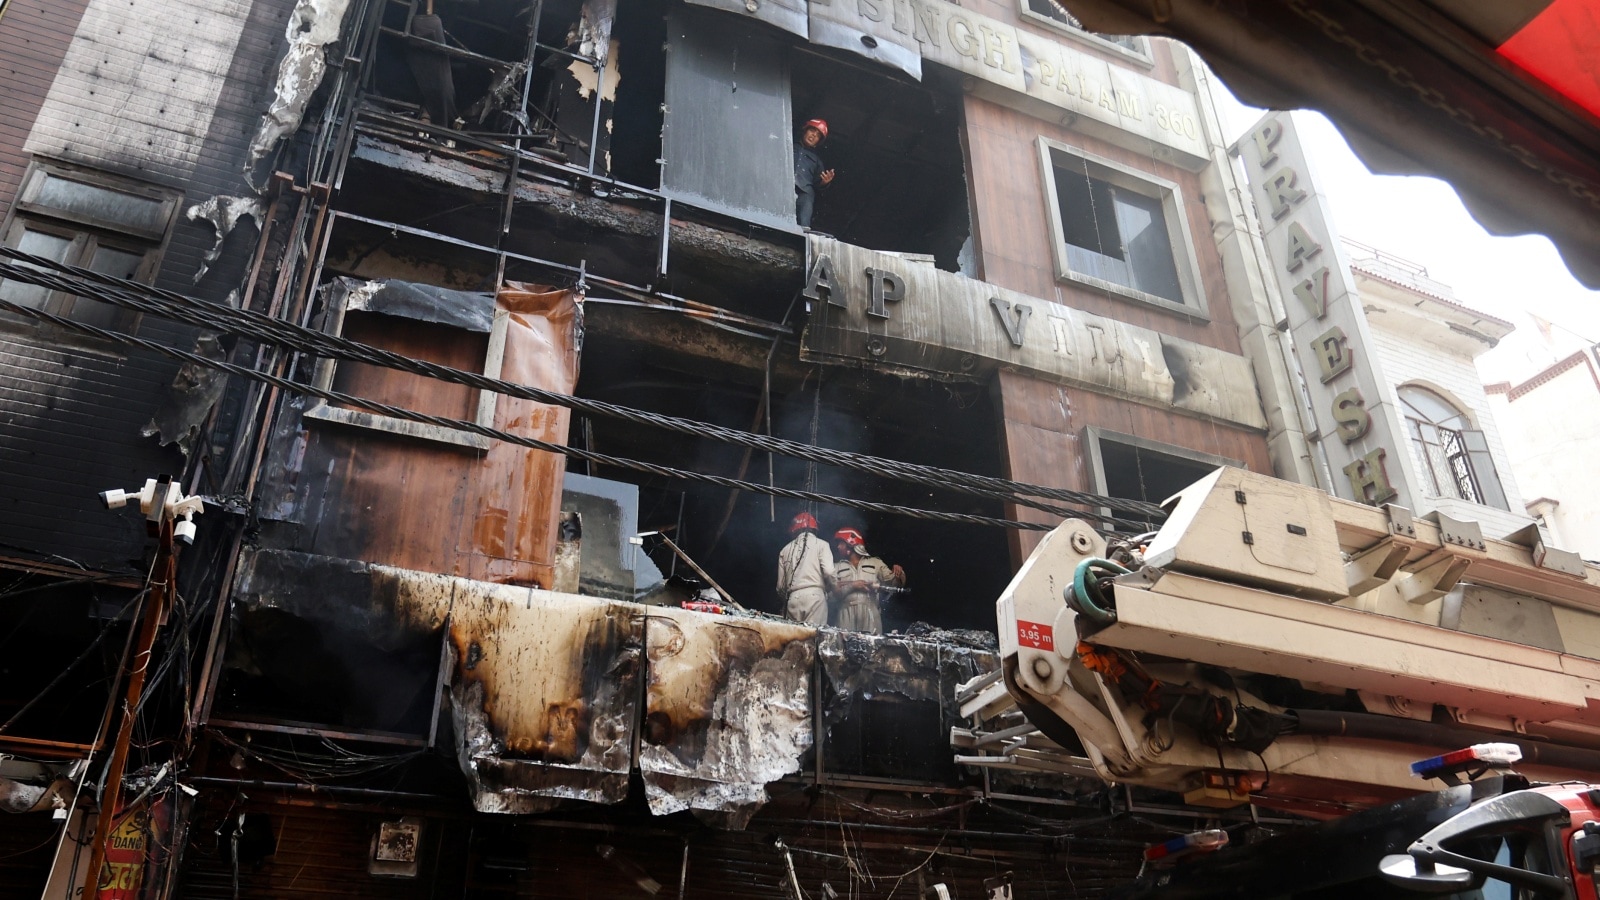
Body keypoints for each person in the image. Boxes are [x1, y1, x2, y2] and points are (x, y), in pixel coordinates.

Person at [830, 527, 905, 635]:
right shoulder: (836, 567)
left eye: (841, 543)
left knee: (872, 647)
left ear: (850, 544)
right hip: (845, 612)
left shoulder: (875, 563)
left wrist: (899, 574)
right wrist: (852, 586)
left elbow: (893, 585)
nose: (838, 547)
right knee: (844, 647)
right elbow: (830, 596)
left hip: (870, 611)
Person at [776, 511, 835, 625]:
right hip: (815, 597)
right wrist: (833, 587)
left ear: (794, 530)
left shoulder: (784, 550)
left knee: (794, 638)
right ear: (814, 528)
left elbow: (780, 587)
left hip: (793, 599)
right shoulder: (822, 544)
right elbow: (829, 572)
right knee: (813, 637)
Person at [794, 118, 835, 230]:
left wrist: (824, 183)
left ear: (818, 142)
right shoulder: (789, 145)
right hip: (783, 183)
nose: (813, 135)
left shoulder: (816, 161)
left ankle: (803, 230)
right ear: (805, 131)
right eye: (812, 131)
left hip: (804, 191)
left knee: (807, 200)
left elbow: (818, 184)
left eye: (817, 135)